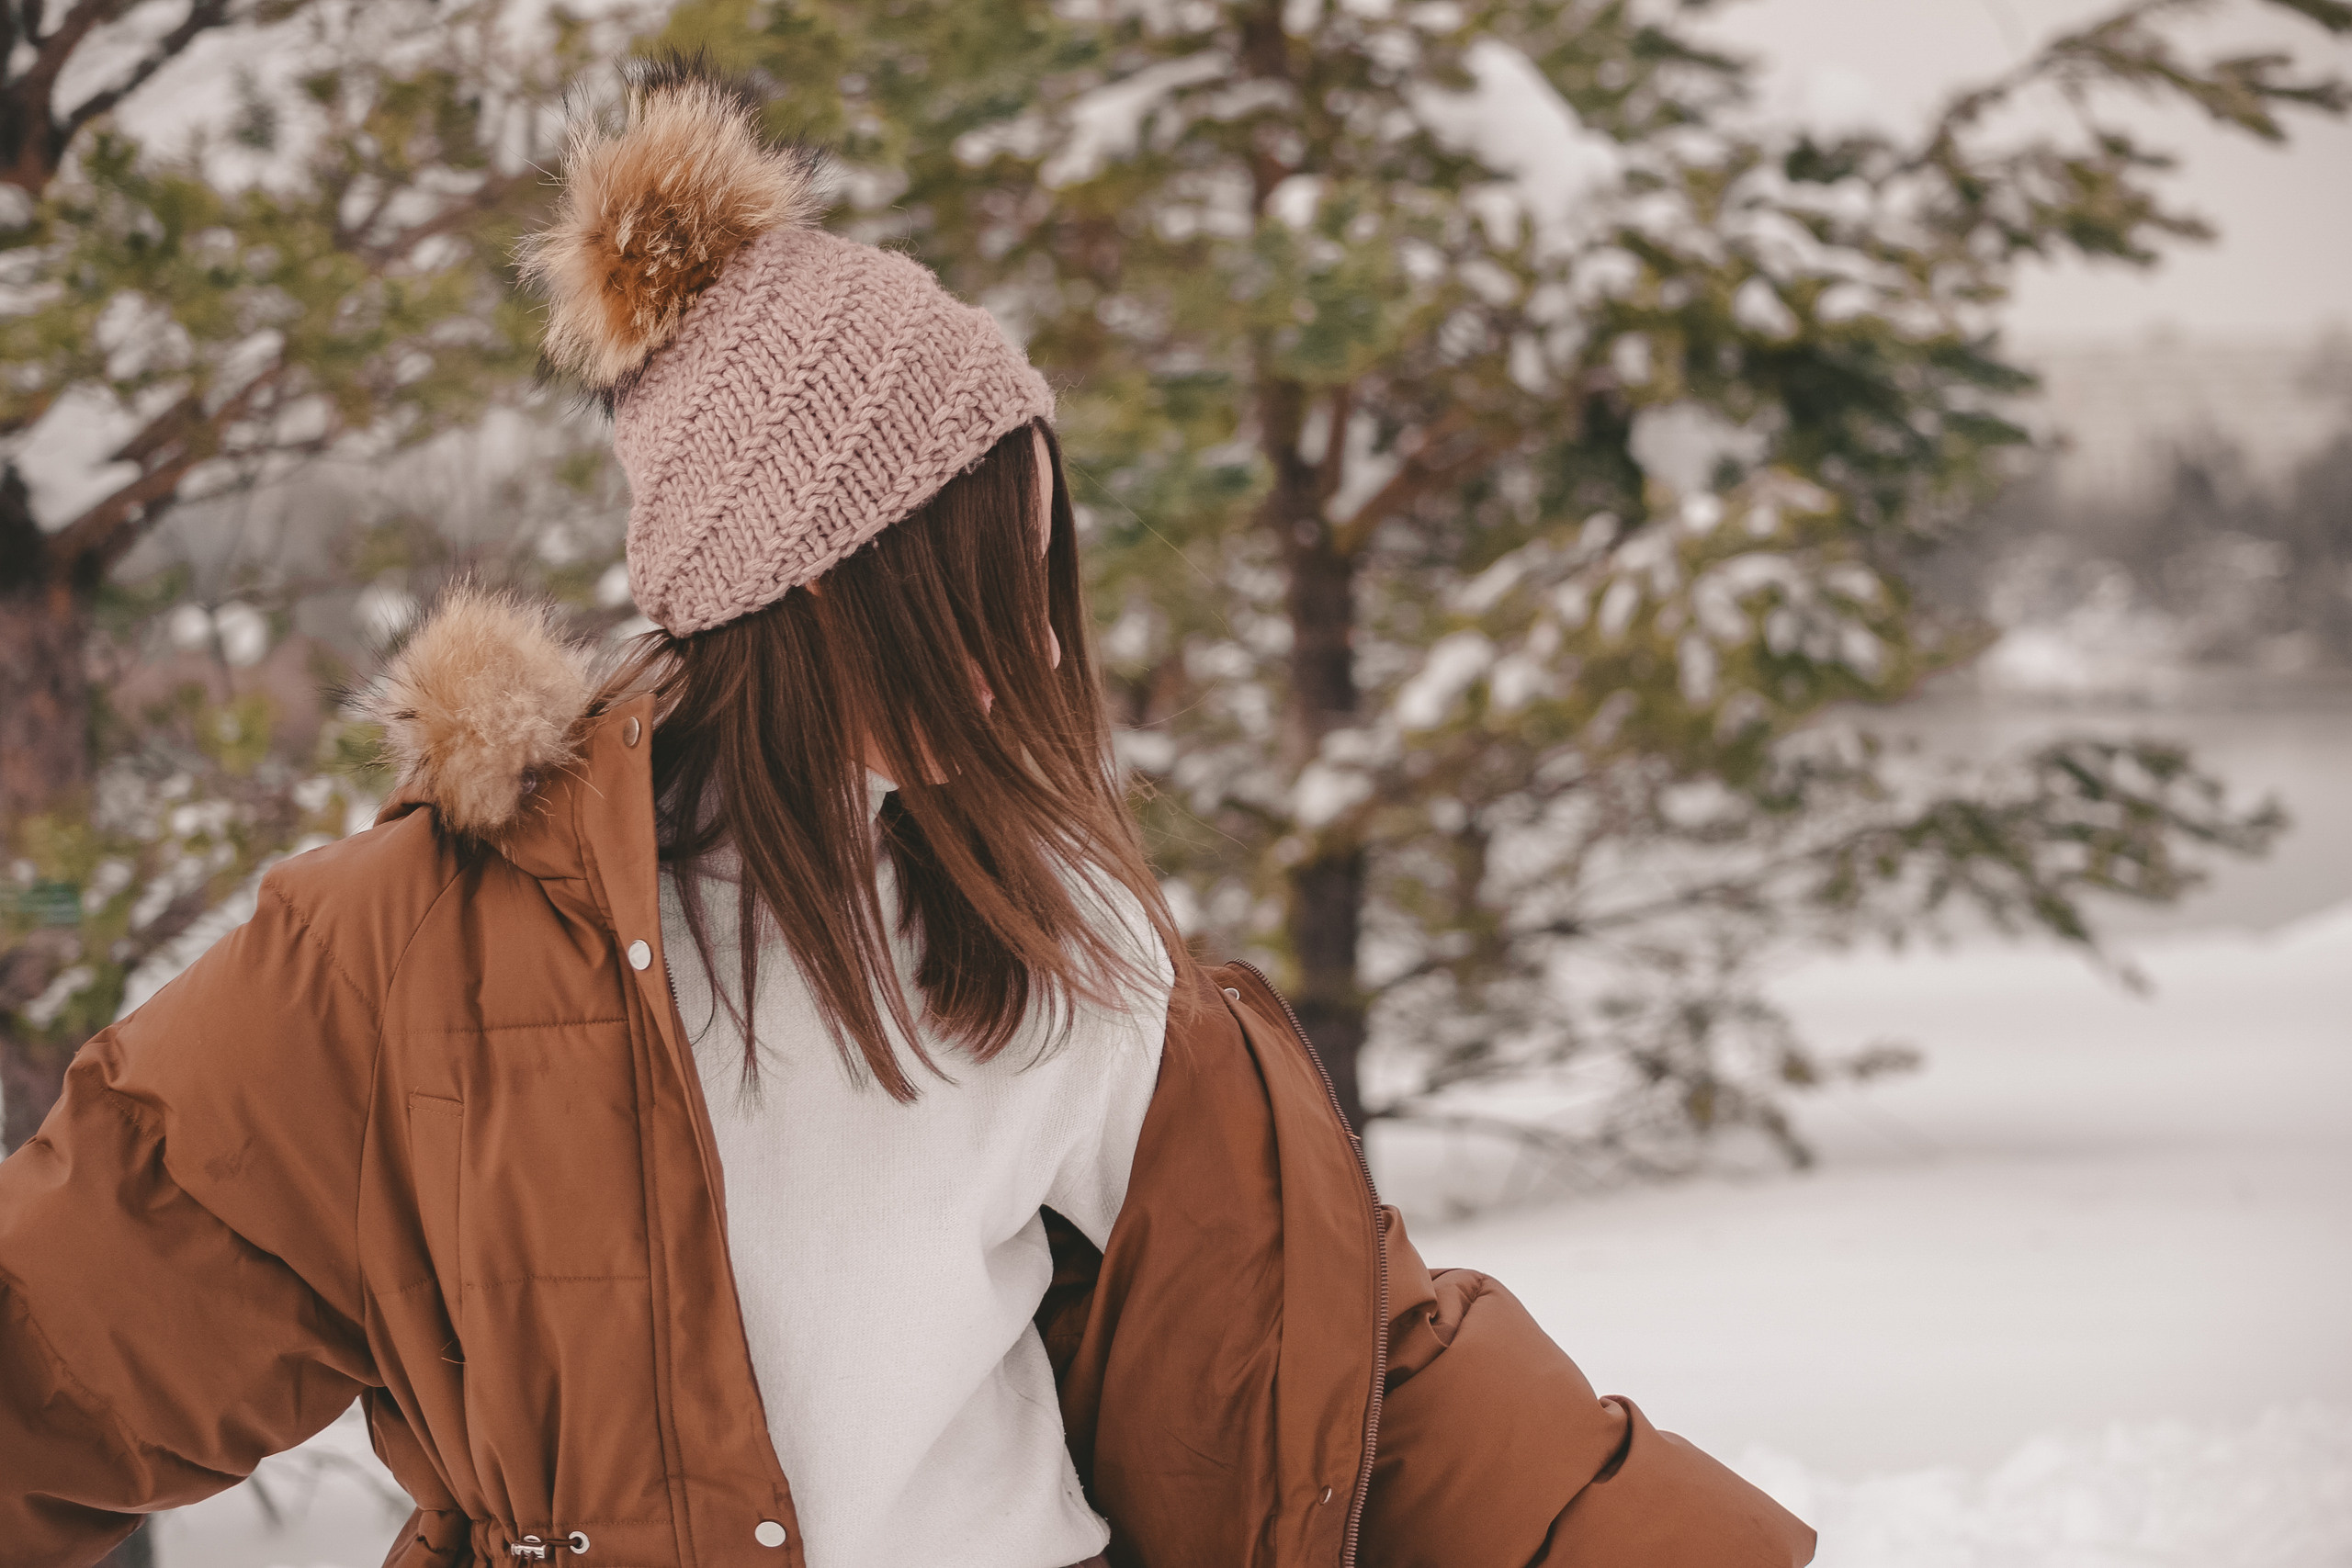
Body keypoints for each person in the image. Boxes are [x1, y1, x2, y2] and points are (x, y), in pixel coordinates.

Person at [0, 57, 1815, 1568]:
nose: (1029, 641)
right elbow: (67, 1347)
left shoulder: (1046, 930)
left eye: (1044, 572)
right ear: (808, 596)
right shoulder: (403, 952)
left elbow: (1354, 1360)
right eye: (977, 580)